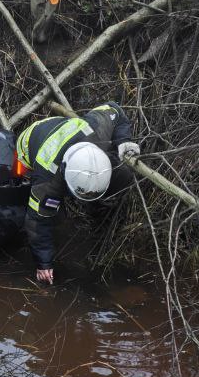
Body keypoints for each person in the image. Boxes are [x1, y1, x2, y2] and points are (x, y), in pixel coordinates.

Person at [16, 102, 140, 284]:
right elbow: (36, 222)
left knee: (124, 173)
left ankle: (99, 207)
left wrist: (124, 141)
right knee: (54, 217)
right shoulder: (47, 181)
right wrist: (44, 263)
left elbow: (116, 110)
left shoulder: (98, 129)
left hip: (64, 128)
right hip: (28, 145)